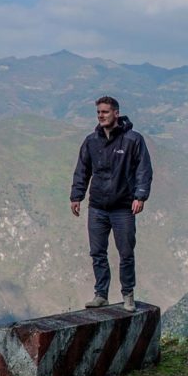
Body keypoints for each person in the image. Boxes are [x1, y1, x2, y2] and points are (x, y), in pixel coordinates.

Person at [70, 96, 152, 312]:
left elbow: (143, 170)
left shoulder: (133, 140)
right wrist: (76, 196)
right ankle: (101, 295)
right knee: (97, 252)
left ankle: (128, 294)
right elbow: (82, 170)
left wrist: (140, 196)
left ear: (116, 113)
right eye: (98, 112)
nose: (101, 116)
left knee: (126, 253)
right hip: (97, 207)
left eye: (105, 112)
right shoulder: (91, 141)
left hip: (123, 207)